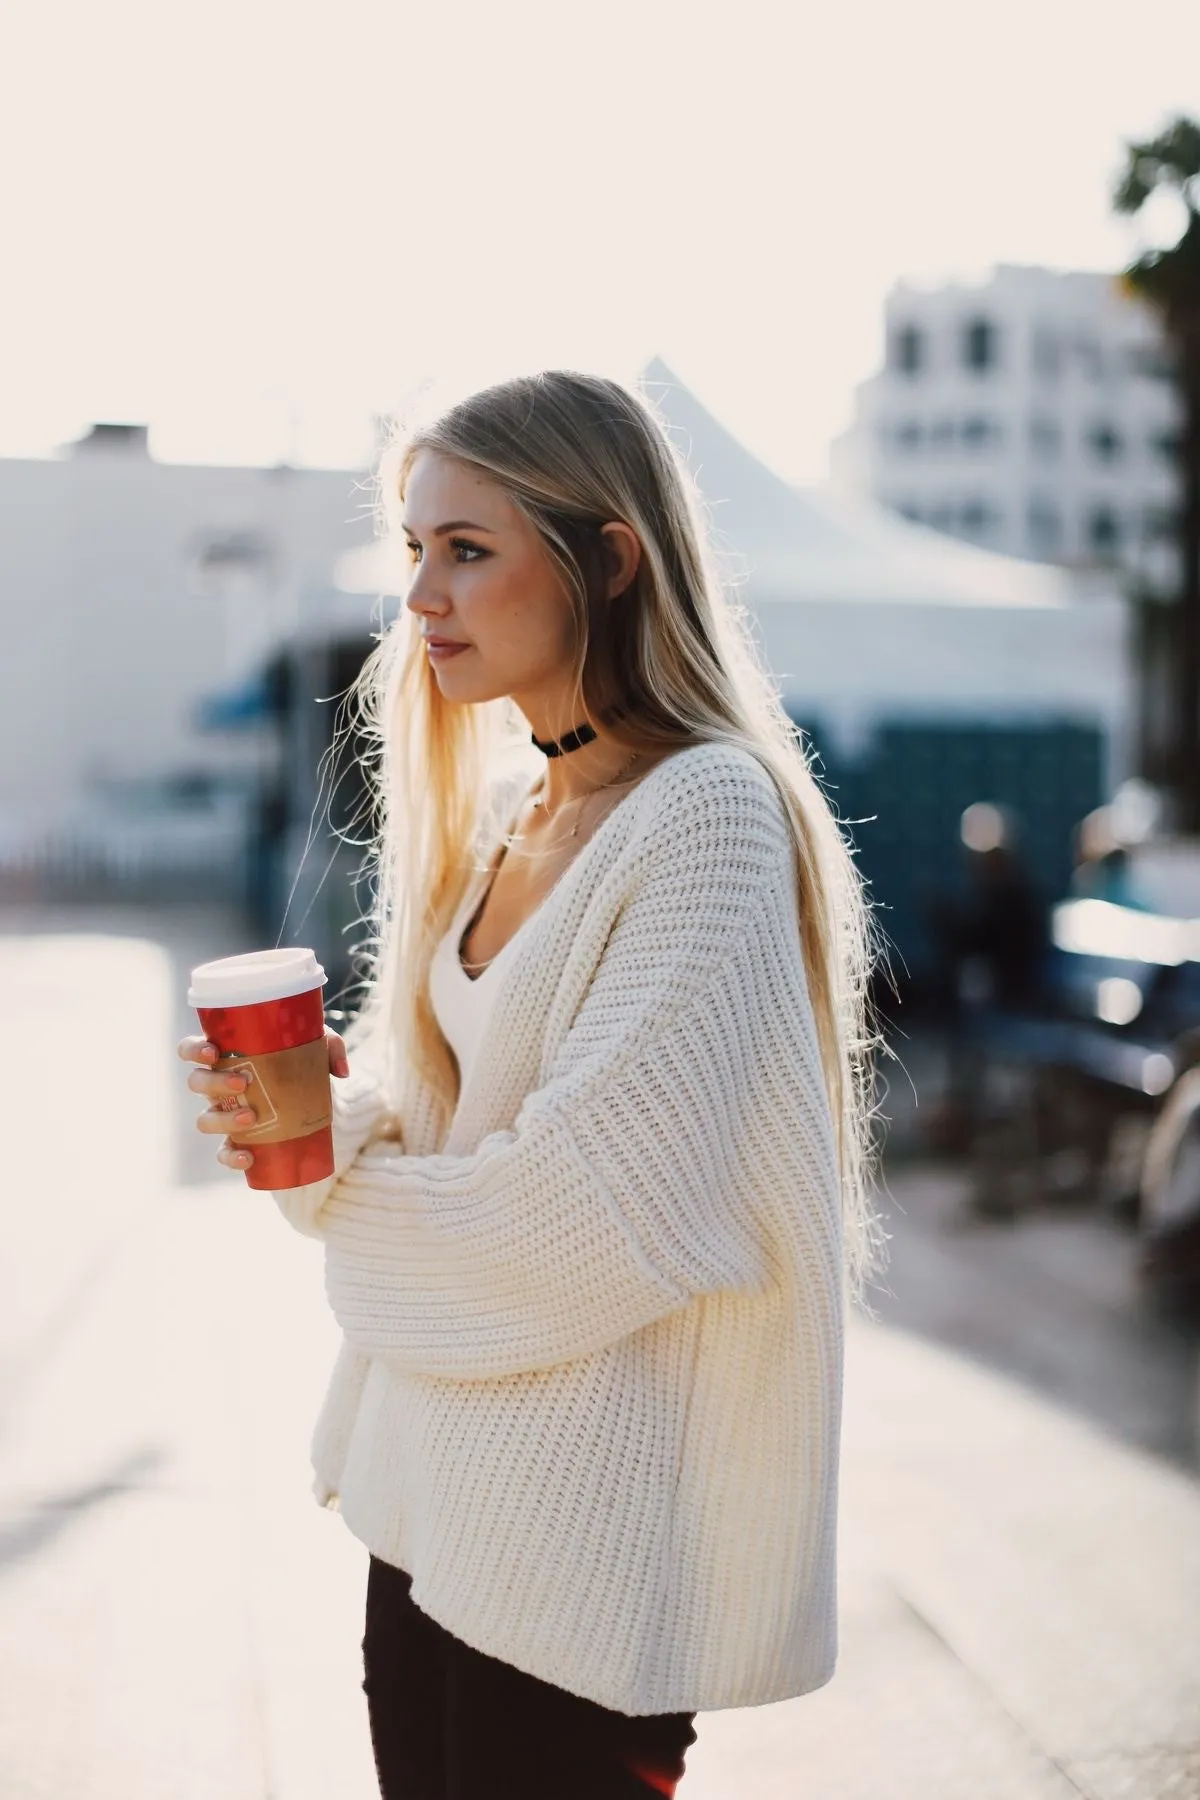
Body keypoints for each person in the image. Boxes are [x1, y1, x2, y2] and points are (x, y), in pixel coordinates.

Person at [179, 370, 886, 1799]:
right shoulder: (518, 807)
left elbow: (576, 1228)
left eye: (469, 548)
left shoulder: (709, 817)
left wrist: (337, 1189)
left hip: (578, 1580)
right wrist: (336, 1109)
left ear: (608, 559)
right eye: (414, 550)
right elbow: (453, 1134)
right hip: (428, 1517)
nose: (423, 595)